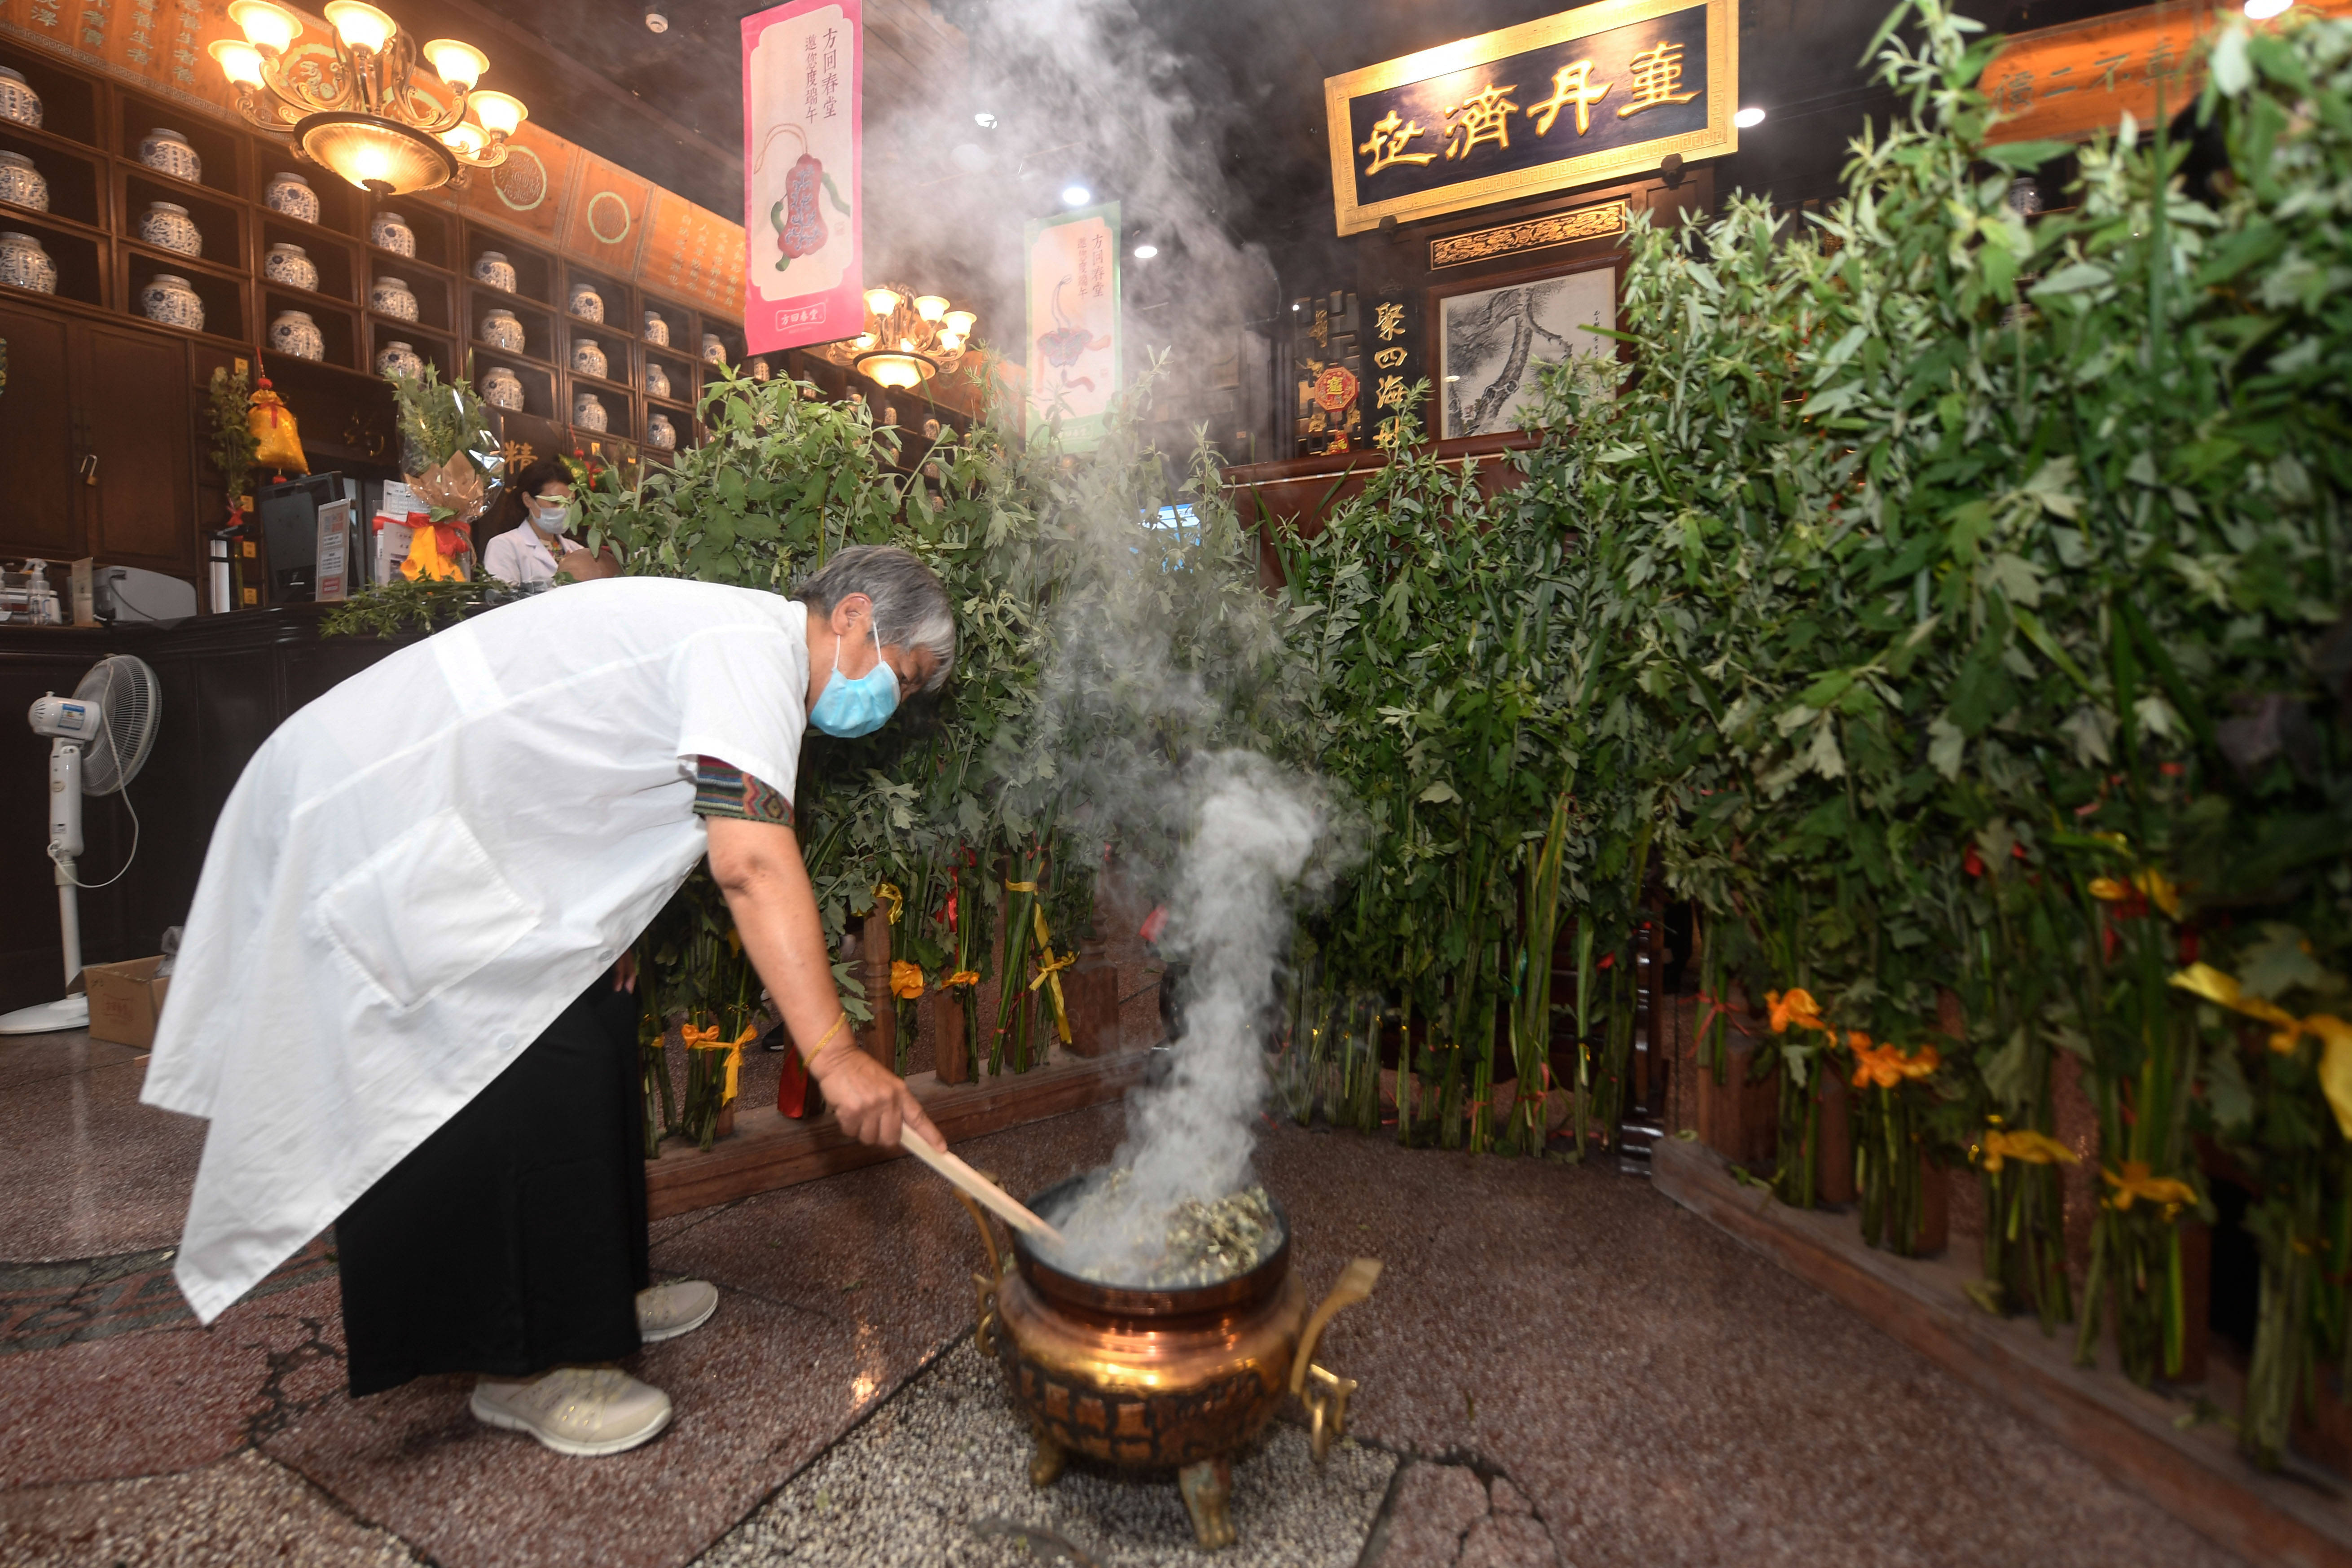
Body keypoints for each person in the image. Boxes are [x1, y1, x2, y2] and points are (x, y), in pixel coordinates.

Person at [141, 545, 954, 1458]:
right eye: (905, 675)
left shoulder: (743, 642)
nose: (894, 702)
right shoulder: (750, 649)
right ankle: (525, 1367)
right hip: (380, 810)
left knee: (594, 1024)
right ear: (851, 616)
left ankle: (593, 1296)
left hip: (459, 827)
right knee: (516, 1071)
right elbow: (752, 862)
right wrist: (835, 1054)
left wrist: (609, 928)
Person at [478, 458, 615, 587]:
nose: (564, 510)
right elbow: (501, 602)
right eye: (555, 502)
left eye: (570, 503)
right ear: (528, 500)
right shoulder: (505, 546)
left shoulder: (577, 550)